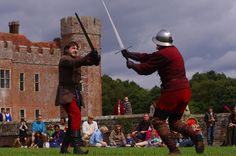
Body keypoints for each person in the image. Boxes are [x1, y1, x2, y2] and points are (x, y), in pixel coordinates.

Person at [121, 29, 204, 154]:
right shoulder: (173, 50)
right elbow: (148, 57)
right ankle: (195, 136)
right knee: (175, 122)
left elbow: (146, 68)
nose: (156, 45)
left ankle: (174, 150)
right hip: (185, 90)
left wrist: (133, 66)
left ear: (161, 43)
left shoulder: (163, 54)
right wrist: (130, 54)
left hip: (173, 91)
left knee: (158, 121)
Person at [56, 41, 100, 154]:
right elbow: (77, 62)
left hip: (75, 92)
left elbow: (88, 62)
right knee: (76, 115)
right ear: (67, 50)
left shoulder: (76, 59)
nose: (75, 50)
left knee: (72, 121)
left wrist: (95, 58)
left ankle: (64, 148)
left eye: (76, 48)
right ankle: (76, 147)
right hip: (66, 92)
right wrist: (90, 56)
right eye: (73, 48)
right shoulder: (64, 59)